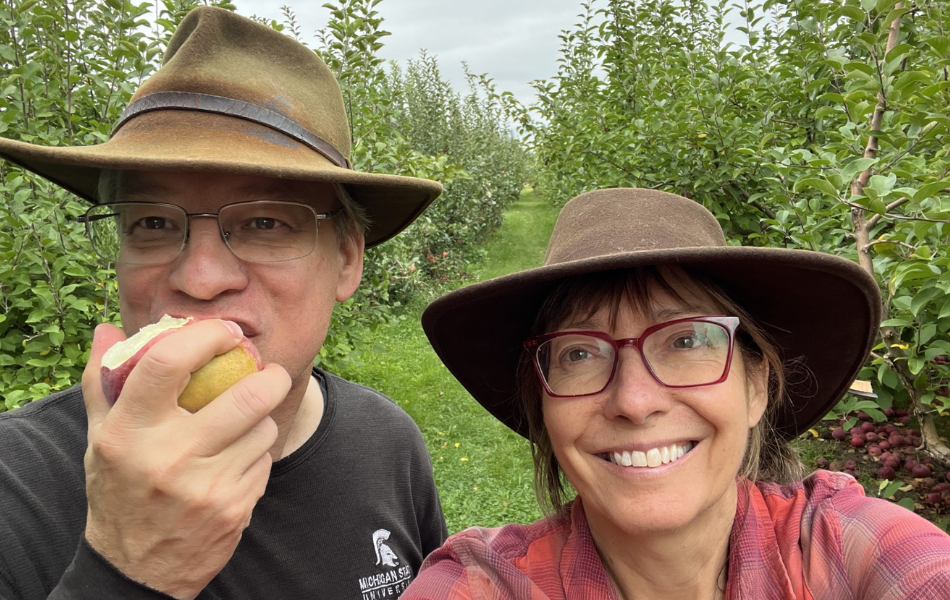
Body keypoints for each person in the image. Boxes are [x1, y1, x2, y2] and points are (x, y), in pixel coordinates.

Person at [0, 7, 446, 600]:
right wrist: (126, 572)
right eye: (153, 222)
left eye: (265, 222)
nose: (201, 278)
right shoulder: (16, 489)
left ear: (346, 259)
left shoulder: (387, 443)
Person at [407, 188, 950, 599]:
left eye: (686, 340)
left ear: (756, 385)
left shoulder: (843, 550)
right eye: (579, 353)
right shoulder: (488, 583)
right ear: (543, 403)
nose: (636, 401)